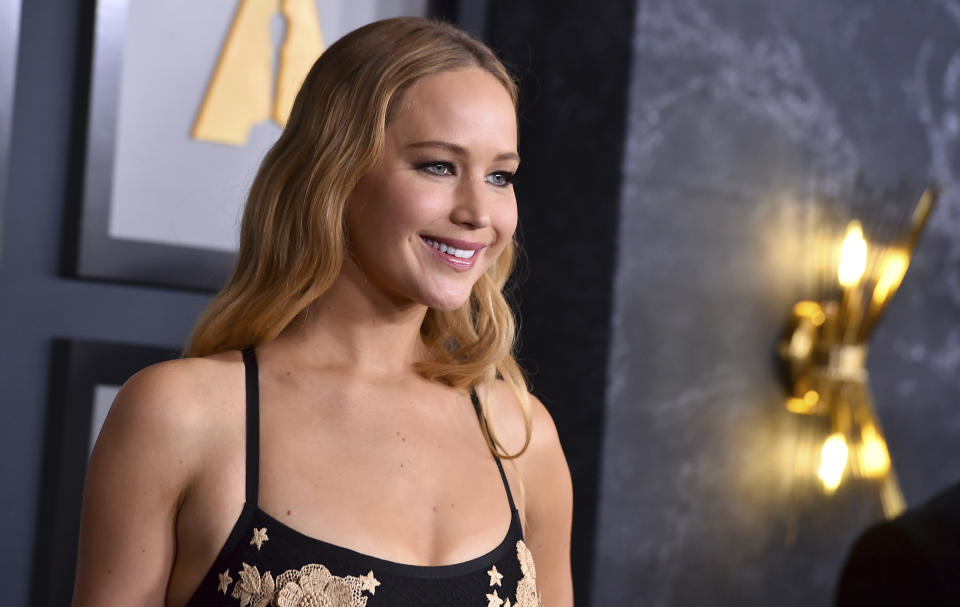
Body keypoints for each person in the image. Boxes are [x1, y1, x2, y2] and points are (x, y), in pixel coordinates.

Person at [71, 17, 574, 607]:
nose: (478, 212)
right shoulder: (182, 415)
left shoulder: (518, 433)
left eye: (499, 176)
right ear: (336, 172)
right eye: (438, 165)